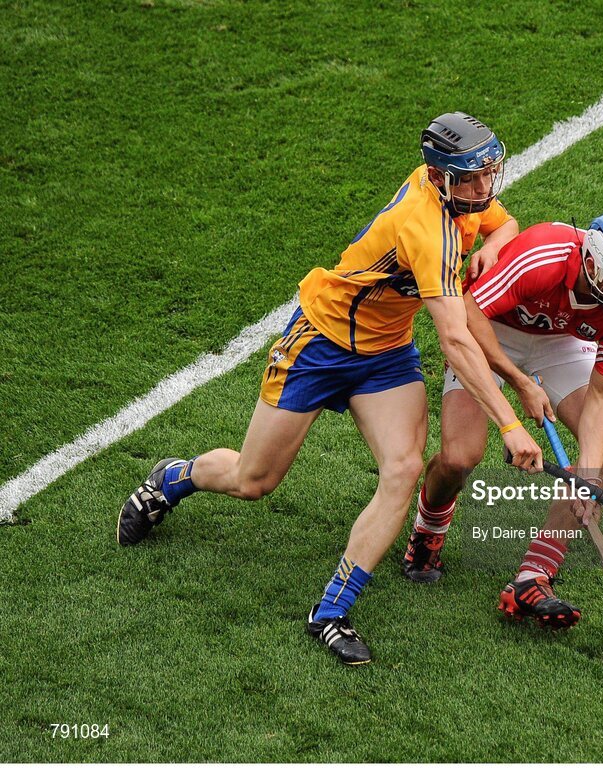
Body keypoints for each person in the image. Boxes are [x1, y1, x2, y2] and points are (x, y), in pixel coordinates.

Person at [117, 112, 545, 665]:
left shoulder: (460, 193)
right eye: (471, 178)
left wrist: (495, 243)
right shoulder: (426, 226)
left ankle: (332, 611)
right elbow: (457, 342)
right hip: (318, 346)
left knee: (403, 467)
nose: (483, 188)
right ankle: (173, 477)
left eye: (489, 173)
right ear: (438, 176)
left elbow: (502, 223)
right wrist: (509, 425)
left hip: (385, 355)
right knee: (254, 480)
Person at [401, 210, 603, 629]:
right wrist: (521, 383)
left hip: (561, 341)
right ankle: (428, 532)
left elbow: (601, 393)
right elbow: (468, 312)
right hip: (490, 328)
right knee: (460, 457)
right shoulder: (543, 256)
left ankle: (532, 576)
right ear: (591, 264)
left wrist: (588, 479)